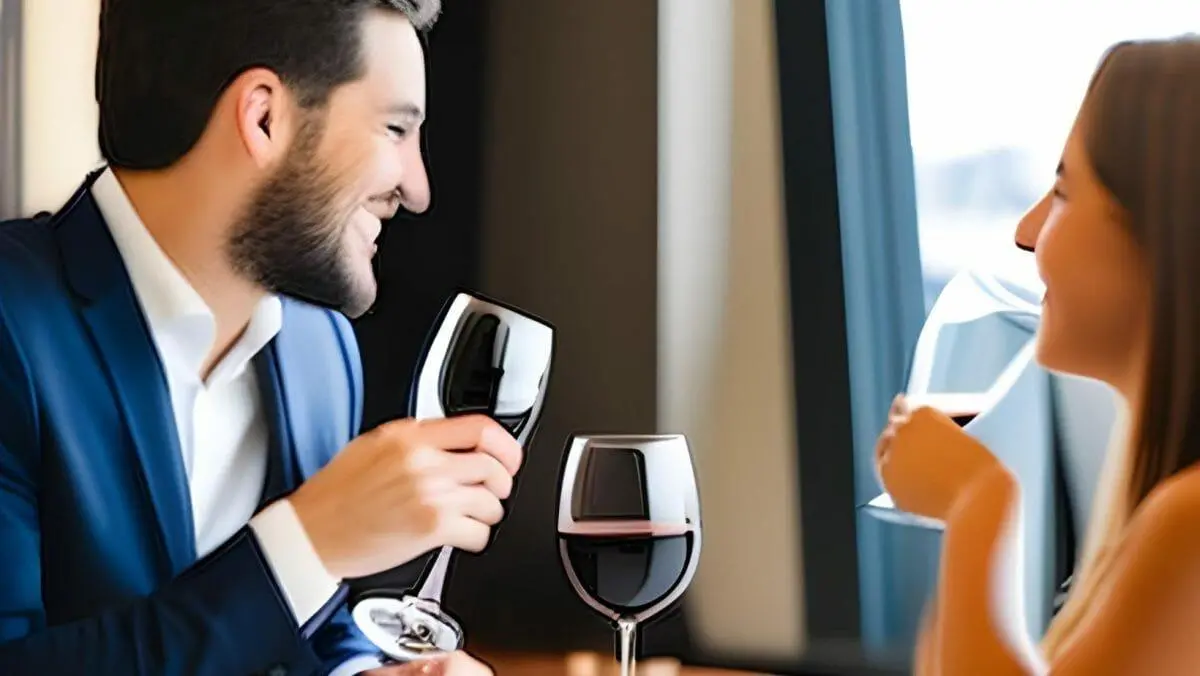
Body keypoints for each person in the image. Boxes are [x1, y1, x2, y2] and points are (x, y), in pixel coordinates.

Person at [0, 1, 508, 674]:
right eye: (394, 129)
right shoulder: (12, 323)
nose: (416, 189)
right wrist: (306, 544)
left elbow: (309, 632)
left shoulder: (321, 349)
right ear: (264, 118)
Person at [877, 35, 1200, 675]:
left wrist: (978, 503)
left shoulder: (1190, 523)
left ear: (1163, 233)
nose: (1026, 233)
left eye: (1063, 192)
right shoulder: (1162, 505)